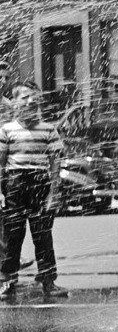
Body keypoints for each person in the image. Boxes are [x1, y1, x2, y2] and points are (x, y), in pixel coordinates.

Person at [0, 82, 68, 301]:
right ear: (15, 103)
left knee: (43, 236)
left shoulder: (48, 130)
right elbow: (0, 164)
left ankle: (49, 281)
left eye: (34, 98)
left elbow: (55, 163)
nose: (31, 101)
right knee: (13, 236)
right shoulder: (6, 130)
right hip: (14, 183)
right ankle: (7, 281)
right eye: (25, 97)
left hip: (40, 183)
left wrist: (53, 192)